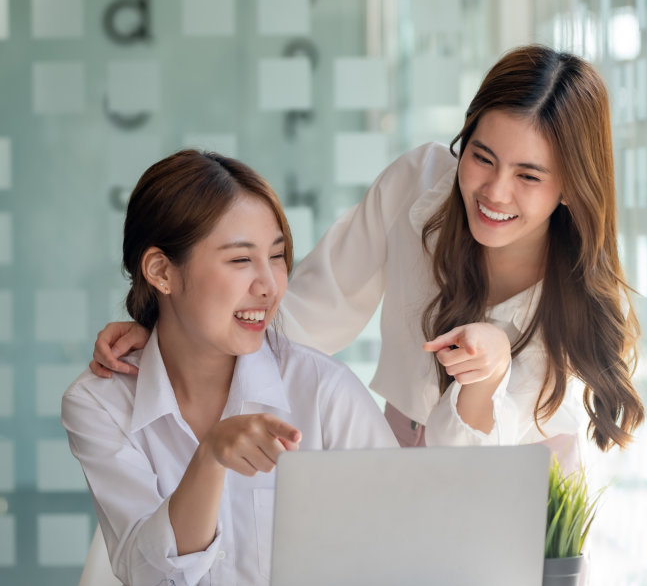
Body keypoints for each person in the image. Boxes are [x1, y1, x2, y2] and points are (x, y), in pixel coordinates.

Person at [90, 44, 644, 470]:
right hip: (399, 450)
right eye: (482, 157)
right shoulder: (418, 183)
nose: (495, 192)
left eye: (528, 176)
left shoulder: (580, 303)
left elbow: (465, 459)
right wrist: (182, 332)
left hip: (522, 490)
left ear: (570, 186)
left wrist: (491, 371)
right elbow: (307, 314)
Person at [62, 150, 397, 586]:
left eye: (276, 256)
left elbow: (405, 545)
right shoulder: (100, 402)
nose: (269, 285)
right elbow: (145, 572)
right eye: (240, 260)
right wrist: (209, 458)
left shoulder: (323, 393)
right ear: (162, 272)